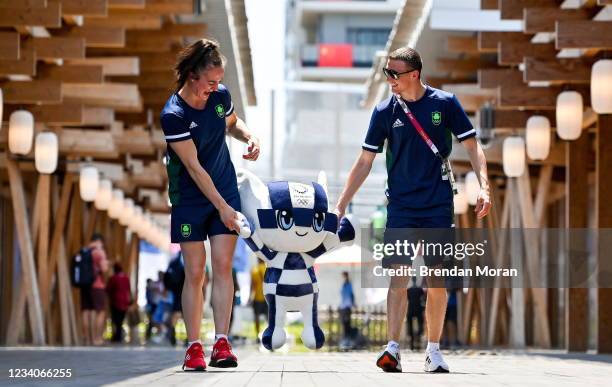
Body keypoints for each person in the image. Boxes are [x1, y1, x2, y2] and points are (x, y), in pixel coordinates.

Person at [334, 47, 491, 373]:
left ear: (414, 74)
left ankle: (433, 351)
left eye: (395, 73)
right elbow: (365, 161)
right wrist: (342, 202)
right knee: (399, 278)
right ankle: (392, 347)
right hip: (402, 207)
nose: (389, 79)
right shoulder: (384, 111)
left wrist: (485, 187)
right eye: (387, 73)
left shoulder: (444, 104)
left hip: (437, 205)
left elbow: (474, 147)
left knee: (436, 280)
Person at [160, 38, 260, 371]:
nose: (215, 88)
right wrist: (221, 207)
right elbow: (194, 168)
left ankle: (221, 343)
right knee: (195, 271)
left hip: (225, 190)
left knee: (222, 265)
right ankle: (193, 348)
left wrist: (249, 137)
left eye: (219, 81)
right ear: (192, 76)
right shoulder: (173, 114)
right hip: (190, 198)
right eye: (210, 82)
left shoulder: (220, 97)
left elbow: (231, 124)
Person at [80, 233, 109, 346]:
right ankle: (97, 338)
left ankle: (86, 339)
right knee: (100, 312)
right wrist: (106, 263)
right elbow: (104, 269)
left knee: (86, 311)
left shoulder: (84, 251)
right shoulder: (99, 252)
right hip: (97, 285)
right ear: (99, 241)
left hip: (85, 285)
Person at [106, 262, 132, 343]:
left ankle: (116, 336)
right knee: (120, 320)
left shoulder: (113, 278)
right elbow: (129, 290)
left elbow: (108, 289)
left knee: (115, 320)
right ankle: (119, 336)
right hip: (125, 302)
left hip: (115, 301)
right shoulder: (126, 278)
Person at [164, 253, 186, 346]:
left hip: (175, 291)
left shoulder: (173, 261)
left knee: (176, 312)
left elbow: (166, 276)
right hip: (186, 288)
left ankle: (172, 330)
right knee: (187, 313)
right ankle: (190, 336)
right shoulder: (189, 257)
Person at [249, 258, 267, 343]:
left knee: (257, 317)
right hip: (267, 297)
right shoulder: (268, 269)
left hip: (257, 297)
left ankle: (257, 335)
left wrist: (250, 297)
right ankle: (269, 334)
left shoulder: (254, 270)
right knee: (269, 318)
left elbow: (252, 285)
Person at [406, 280, 425, 350]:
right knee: (419, 324)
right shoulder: (419, 290)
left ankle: (415, 338)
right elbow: (423, 298)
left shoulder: (409, 290)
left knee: (413, 325)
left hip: (412, 309)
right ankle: (415, 337)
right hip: (417, 309)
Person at [339, 271, 355, 341]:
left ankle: (348, 338)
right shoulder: (344, 284)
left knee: (347, 323)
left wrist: (353, 303)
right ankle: (345, 338)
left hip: (347, 306)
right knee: (344, 323)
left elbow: (351, 294)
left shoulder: (348, 284)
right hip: (343, 306)